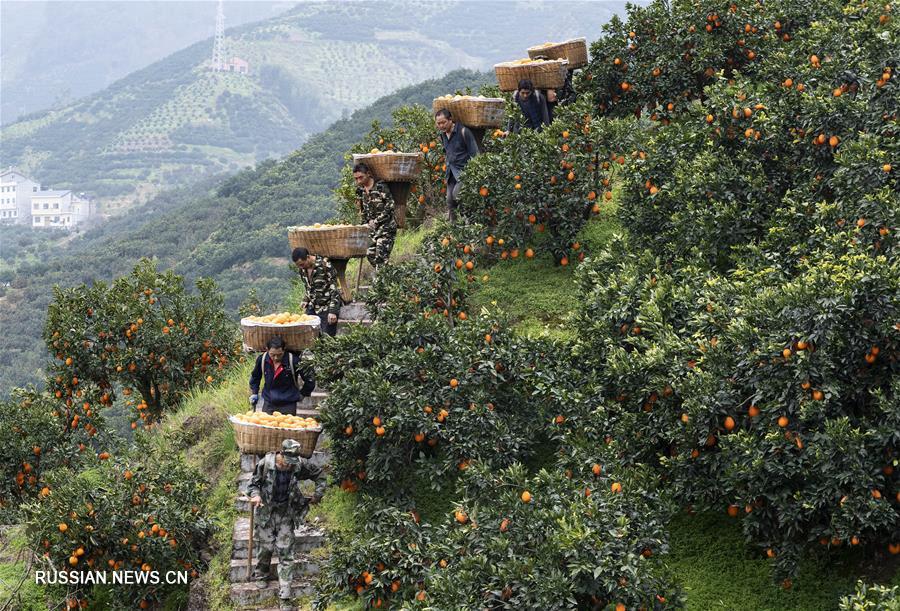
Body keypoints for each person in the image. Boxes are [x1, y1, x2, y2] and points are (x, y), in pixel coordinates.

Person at [248, 439, 326, 611]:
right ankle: (261, 574)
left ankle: (285, 595)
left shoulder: (298, 465)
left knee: (286, 552)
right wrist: (255, 495)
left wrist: (318, 494)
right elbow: (253, 484)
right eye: (287, 462)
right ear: (281, 454)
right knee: (266, 547)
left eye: (292, 463)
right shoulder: (265, 464)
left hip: (286, 512)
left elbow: (319, 474)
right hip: (266, 512)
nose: (289, 466)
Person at [248, 336, 315, 416]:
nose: (276, 358)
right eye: (272, 355)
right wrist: (254, 392)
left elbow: (310, 378)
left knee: (286, 426)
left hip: (288, 404)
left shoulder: (293, 360)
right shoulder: (262, 359)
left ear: (284, 350)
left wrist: (303, 393)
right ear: (267, 349)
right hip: (269, 402)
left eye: (279, 355)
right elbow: (255, 377)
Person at [435, 108, 479, 222]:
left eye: (443, 122)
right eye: (438, 123)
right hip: (451, 173)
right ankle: (453, 230)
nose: (441, 126)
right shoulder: (443, 135)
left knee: (458, 195)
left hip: (464, 173)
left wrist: (473, 174)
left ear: (450, 120)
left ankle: (470, 223)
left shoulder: (464, 132)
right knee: (449, 201)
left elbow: (475, 155)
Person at [352, 162, 396, 270]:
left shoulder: (380, 186)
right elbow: (363, 212)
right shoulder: (361, 191)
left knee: (381, 256)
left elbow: (390, 206)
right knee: (369, 253)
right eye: (356, 179)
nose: (358, 181)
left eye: (361, 177)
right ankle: (393, 275)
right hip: (372, 231)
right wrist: (364, 225)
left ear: (368, 174)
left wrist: (376, 221)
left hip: (386, 228)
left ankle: (381, 282)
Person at [291, 247, 342, 337]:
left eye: (302, 264)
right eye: (298, 265)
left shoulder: (325, 266)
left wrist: (333, 311)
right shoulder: (303, 270)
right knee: (308, 336)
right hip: (313, 307)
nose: (300, 267)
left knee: (327, 339)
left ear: (308, 257)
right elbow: (309, 287)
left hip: (327, 308)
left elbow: (335, 289)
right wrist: (306, 299)